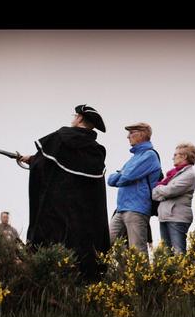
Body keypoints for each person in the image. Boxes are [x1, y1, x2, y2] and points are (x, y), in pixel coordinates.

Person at [19, 104, 110, 282]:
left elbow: (43, 163)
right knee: (78, 247)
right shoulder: (96, 151)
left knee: (52, 241)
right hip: (82, 214)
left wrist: (32, 160)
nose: (72, 118)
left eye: (74, 116)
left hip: (57, 208)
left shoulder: (61, 137)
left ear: (79, 118)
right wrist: (36, 159)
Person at [107, 122, 162, 256]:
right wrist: (121, 175)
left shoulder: (150, 155)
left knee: (137, 251)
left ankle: (141, 277)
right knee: (107, 243)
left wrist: (121, 174)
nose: (128, 136)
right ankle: (121, 276)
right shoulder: (134, 158)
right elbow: (110, 179)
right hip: (121, 209)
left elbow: (126, 176)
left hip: (137, 209)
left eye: (132, 133)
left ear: (142, 134)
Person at [151, 143, 195, 254]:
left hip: (177, 218)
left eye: (176, 154)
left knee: (178, 252)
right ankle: (170, 272)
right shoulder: (174, 174)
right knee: (166, 253)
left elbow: (170, 191)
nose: (173, 157)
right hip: (166, 216)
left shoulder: (189, 174)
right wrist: (161, 189)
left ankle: (181, 272)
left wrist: (159, 188)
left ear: (184, 156)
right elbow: (155, 194)